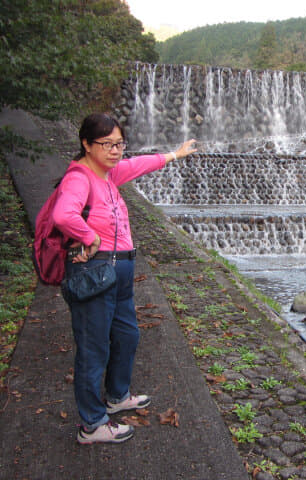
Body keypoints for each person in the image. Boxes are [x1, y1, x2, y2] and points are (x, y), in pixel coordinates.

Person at [52, 113, 197, 444]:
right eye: (107, 144)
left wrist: (175, 154)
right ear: (86, 145)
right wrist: (89, 237)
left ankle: (116, 396)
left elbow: (141, 164)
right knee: (93, 349)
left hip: (119, 272)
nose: (115, 151)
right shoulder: (80, 178)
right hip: (94, 272)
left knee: (127, 335)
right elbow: (64, 214)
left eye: (119, 144)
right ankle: (91, 425)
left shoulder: (108, 175)